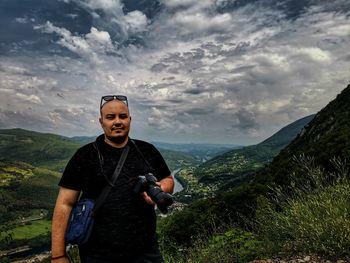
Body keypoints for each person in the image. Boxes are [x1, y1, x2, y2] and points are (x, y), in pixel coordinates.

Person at [51, 95, 174, 263]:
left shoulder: (147, 150)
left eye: (122, 116)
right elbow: (65, 203)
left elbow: (168, 179)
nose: (117, 121)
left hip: (145, 250)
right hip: (97, 254)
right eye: (110, 117)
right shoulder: (84, 156)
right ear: (101, 121)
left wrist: (161, 188)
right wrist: (58, 255)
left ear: (130, 120)